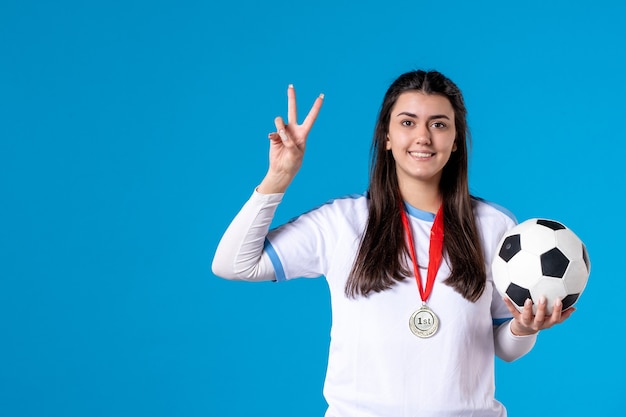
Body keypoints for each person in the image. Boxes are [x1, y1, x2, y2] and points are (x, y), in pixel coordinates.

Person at [211, 70, 574, 417]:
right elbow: (233, 264)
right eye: (407, 122)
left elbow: (504, 349)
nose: (423, 137)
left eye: (439, 124)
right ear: (386, 136)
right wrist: (279, 175)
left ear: (456, 140)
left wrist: (524, 329)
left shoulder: (495, 226)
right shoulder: (341, 223)